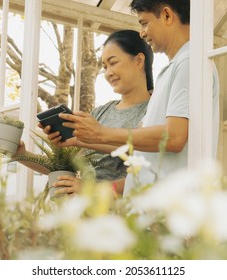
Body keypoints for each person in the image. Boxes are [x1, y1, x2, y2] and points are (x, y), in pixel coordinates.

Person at [53, 0, 219, 196]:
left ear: (166, 15)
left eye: (144, 23)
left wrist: (99, 132)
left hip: (170, 207)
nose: (142, 33)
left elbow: (174, 137)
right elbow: (141, 143)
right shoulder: (175, 67)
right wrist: (80, 139)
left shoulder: (190, 62)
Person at [15, 29, 154, 196]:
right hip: (84, 214)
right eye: (104, 66)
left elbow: (145, 174)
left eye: (113, 62)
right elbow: (64, 168)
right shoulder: (100, 112)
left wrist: (92, 190)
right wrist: (21, 155)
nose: (108, 73)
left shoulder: (153, 109)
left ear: (139, 60)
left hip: (120, 217)